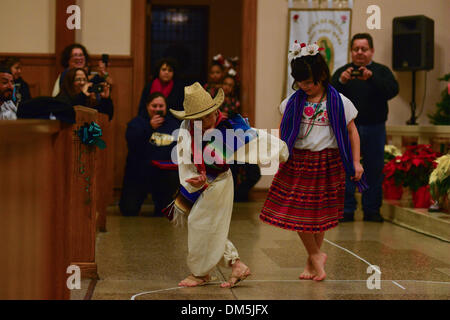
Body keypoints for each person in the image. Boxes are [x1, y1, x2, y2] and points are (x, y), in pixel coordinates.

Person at [260, 42, 366, 282]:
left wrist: (357, 162)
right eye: (300, 82)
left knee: (319, 216)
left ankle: (312, 258)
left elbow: (352, 132)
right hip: (298, 160)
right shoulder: (292, 101)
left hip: (328, 161)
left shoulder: (339, 101)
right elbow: (283, 127)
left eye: (310, 82)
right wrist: (280, 149)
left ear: (322, 76)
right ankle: (317, 254)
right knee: (298, 213)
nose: (305, 87)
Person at [168, 82, 289, 288]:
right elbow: (184, 156)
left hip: (220, 182)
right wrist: (193, 176)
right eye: (199, 117)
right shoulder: (188, 127)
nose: (206, 120)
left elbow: (257, 139)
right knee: (205, 224)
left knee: (200, 223)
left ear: (216, 109)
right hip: (200, 183)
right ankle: (234, 265)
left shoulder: (229, 127)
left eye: (209, 114)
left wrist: (280, 151)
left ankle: (202, 273)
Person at [331, 33, 399, 222]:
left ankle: (371, 210)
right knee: (347, 168)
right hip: (348, 128)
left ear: (372, 51)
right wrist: (341, 82)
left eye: (364, 49)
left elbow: (393, 91)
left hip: (375, 127)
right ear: (351, 51)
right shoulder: (343, 72)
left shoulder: (381, 71)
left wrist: (372, 79)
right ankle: (346, 210)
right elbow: (329, 95)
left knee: (374, 168)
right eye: (356, 49)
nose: (360, 53)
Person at [119, 92, 179, 217]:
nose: (157, 109)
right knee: (128, 210)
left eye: (161, 106)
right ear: (147, 106)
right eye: (154, 106)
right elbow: (133, 143)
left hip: (163, 175)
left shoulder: (173, 125)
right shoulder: (136, 123)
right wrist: (149, 127)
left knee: (164, 213)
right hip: (139, 173)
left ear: (166, 107)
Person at [221, 74, 261, 202]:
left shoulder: (236, 103)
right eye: (225, 84)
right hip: (220, 140)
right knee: (229, 171)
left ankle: (238, 195)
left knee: (253, 171)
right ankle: (229, 197)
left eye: (230, 85)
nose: (227, 87)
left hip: (237, 139)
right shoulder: (214, 102)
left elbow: (241, 122)